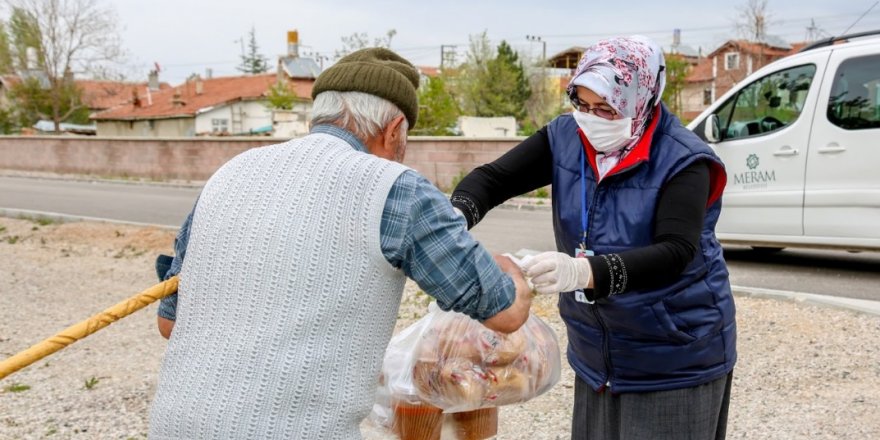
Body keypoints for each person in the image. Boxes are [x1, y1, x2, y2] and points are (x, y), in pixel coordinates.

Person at [148, 47, 533, 440]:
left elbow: (169, 321)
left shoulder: (230, 172)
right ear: (395, 129)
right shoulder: (397, 190)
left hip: (174, 425)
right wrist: (514, 273)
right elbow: (502, 312)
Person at [451, 36, 736, 440]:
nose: (591, 119)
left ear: (642, 100)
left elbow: (675, 253)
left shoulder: (684, 160)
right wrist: (454, 217)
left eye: (606, 108)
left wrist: (582, 273)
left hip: (674, 354)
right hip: (598, 352)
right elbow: (493, 179)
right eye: (581, 104)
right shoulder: (566, 138)